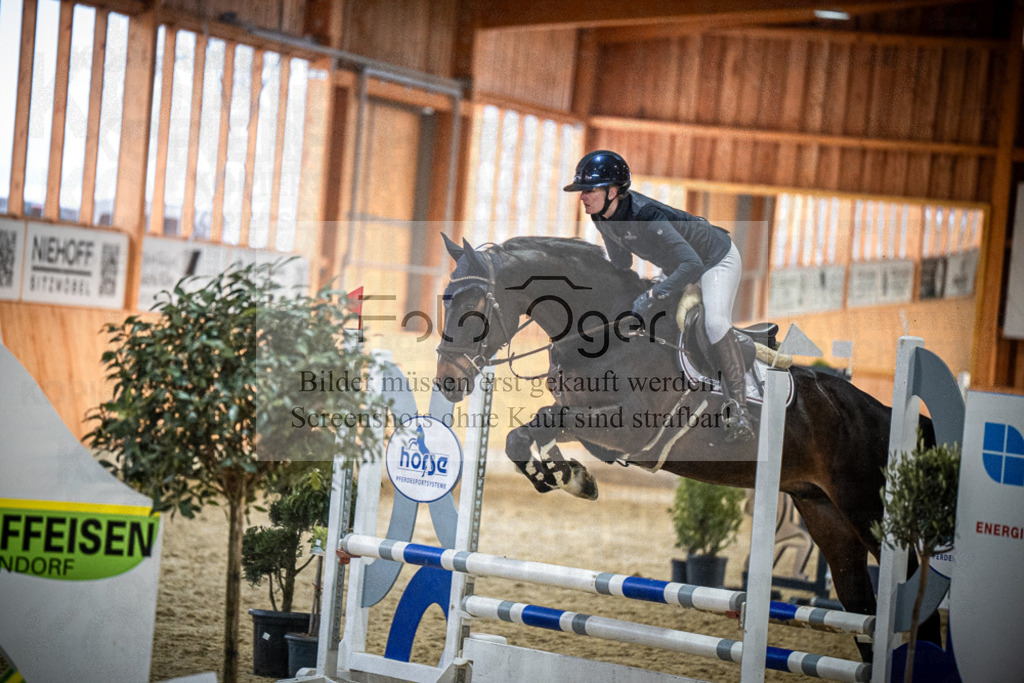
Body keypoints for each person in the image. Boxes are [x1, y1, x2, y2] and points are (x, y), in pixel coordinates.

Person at [563, 150, 755, 442]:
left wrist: (652, 294)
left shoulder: (646, 217)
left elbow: (693, 265)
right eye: (581, 191)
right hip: (679, 266)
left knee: (714, 322)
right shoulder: (601, 216)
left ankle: (739, 409)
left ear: (613, 191)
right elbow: (621, 264)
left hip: (715, 259)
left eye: (589, 190)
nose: (582, 197)